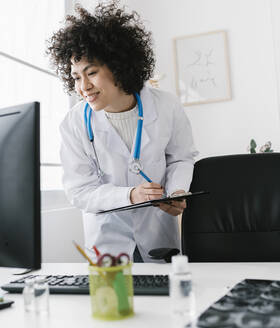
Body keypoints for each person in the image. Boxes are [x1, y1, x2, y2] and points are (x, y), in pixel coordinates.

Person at [47, 1, 198, 262]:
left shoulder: (165, 105)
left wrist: (176, 192)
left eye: (91, 73)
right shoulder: (74, 123)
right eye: (75, 77)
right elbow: (79, 191)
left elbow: (181, 158)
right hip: (108, 242)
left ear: (118, 65)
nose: (83, 87)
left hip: (158, 235)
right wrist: (128, 195)